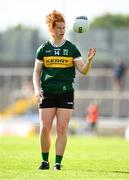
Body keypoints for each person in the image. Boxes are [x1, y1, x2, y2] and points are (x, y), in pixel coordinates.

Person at [33, 10, 96, 170]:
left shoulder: (71, 48)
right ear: (52, 29)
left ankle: (58, 163)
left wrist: (89, 61)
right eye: (59, 28)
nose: (63, 30)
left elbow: (83, 70)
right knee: (45, 128)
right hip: (47, 92)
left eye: (64, 27)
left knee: (62, 128)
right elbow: (36, 72)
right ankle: (45, 161)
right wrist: (36, 90)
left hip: (65, 92)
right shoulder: (43, 49)